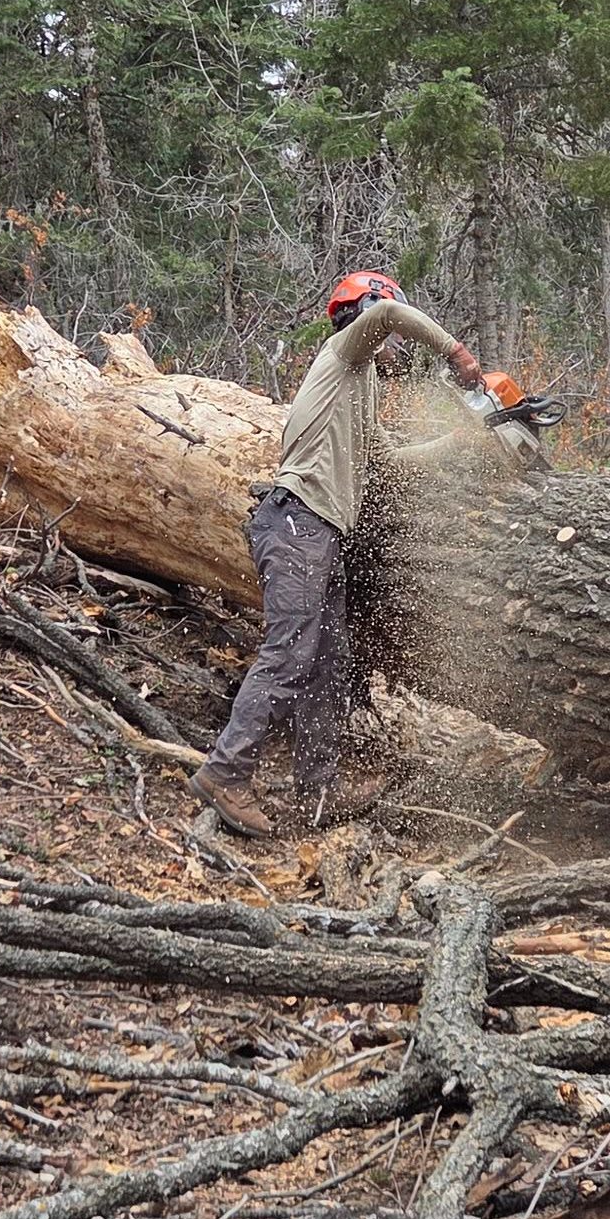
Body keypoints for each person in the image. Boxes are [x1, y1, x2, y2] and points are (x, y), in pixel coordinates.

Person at [188, 271, 483, 837]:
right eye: (389, 326)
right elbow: (389, 318)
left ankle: (317, 787)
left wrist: (461, 444)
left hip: (321, 534)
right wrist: (456, 351)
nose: (395, 343)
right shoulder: (344, 351)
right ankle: (224, 772)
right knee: (290, 654)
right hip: (298, 521)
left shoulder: (360, 383)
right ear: (366, 311)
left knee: (329, 661)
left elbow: (387, 461)